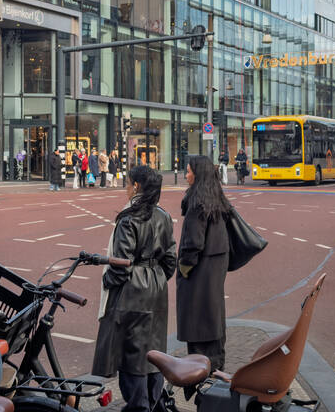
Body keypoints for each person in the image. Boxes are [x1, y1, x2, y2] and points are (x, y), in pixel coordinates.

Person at [92, 166, 177, 412]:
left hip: (133, 289)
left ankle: (139, 404)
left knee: (132, 352)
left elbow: (120, 263)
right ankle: (153, 400)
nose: (126, 188)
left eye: (128, 184)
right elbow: (170, 259)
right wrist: (157, 278)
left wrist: (108, 281)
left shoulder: (128, 218)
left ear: (137, 186)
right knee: (154, 348)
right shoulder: (163, 216)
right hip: (156, 286)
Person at [177, 155, 231, 371]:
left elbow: (193, 243)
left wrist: (184, 268)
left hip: (198, 275)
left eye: (189, 170)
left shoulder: (196, 203)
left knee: (197, 326)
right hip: (214, 271)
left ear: (198, 174)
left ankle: (202, 378)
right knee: (214, 321)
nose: (186, 174)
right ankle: (216, 371)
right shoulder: (217, 201)